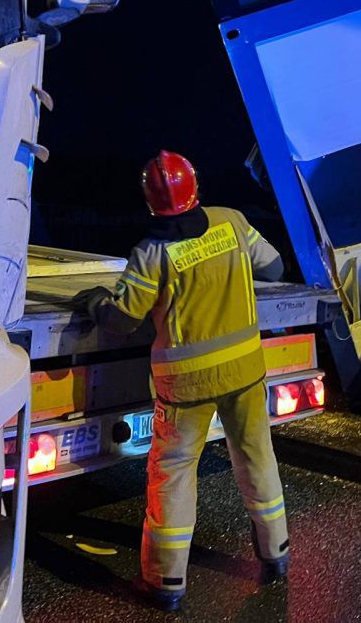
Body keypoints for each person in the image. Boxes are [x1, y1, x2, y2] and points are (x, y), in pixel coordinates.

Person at [71, 150, 290, 610]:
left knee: (172, 476)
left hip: (186, 388)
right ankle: (276, 555)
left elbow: (123, 320)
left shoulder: (151, 253)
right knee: (257, 458)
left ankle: (166, 584)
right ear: (197, 187)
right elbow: (274, 269)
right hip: (245, 373)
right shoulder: (231, 222)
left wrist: (93, 302)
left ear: (150, 202)